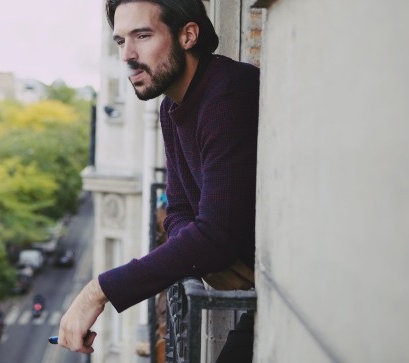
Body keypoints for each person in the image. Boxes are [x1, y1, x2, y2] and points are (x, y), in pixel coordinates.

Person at [56, 0, 259, 362]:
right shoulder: (171, 107)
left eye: (143, 36)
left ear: (188, 35)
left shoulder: (226, 95)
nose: (128, 55)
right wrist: (209, 257)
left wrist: (97, 291)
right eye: (120, 42)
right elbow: (180, 210)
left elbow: (215, 235)